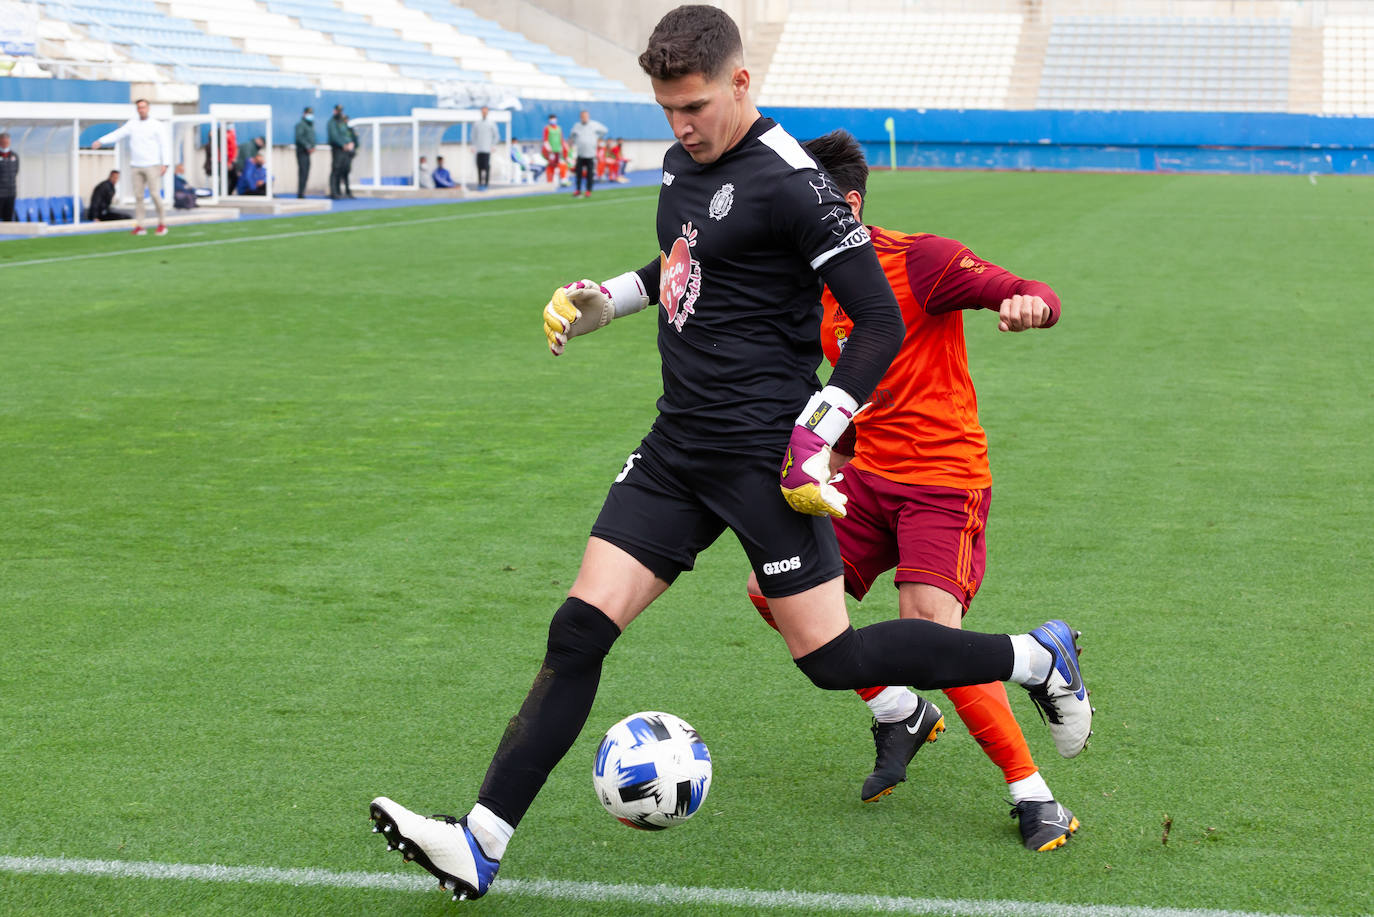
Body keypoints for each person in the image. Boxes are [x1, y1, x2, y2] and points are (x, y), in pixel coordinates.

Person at [367, 5, 1092, 903]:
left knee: (830, 659)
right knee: (578, 629)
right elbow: (686, 252)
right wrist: (613, 300)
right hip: (677, 447)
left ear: (742, 83)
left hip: (763, 460)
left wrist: (822, 423)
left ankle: (1035, 657)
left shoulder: (799, 185)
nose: (680, 126)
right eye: (668, 108)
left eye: (697, 106)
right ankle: (479, 841)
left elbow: (878, 319)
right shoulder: (683, 161)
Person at [743, 129, 1076, 852]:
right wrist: (831, 456)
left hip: (943, 483)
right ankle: (899, 709)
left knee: (930, 630)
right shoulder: (814, 283)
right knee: (774, 589)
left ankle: (1034, 792)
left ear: (847, 205)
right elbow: (855, 391)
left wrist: (1030, 305)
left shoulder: (917, 259)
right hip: (870, 477)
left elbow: (1028, 289)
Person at [91, 98, 168, 236]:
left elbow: (164, 144)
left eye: (143, 107)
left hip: (152, 165)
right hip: (136, 165)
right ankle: (140, 226)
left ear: (148, 108)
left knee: (155, 194)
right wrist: (101, 140)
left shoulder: (156, 125)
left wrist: (165, 163)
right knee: (138, 197)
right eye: (139, 107)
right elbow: (118, 134)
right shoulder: (132, 124)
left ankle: (162, 223)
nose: (141, 110)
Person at [568, 109, 608, 198]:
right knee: (578, 173)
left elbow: (605, 130)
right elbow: (572, 136)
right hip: (580, 154)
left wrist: (597, 137)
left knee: (590, 174)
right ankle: (578, 190)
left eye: (586, 116)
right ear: (580, 117)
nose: (584, 118)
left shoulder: (594, 125)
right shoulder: (577, 126)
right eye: (582, 116)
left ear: (588, 116)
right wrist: (572, 142)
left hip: (590, 154)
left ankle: (588, 191)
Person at [327, 105, 354, 200]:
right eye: (338, 111)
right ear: (334, 111)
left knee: (344, 170)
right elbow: (334, 136)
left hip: (345, 150)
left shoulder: (342, 122)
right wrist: (343, 144)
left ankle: (339, 191)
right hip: (338, 149)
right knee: (336, 169)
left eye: (341, 111)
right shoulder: (332, 122)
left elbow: (346, 134)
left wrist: (350, 143)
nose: (340, 113)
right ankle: (333, 192)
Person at [471, 105, 499, 191]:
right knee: (479, 166)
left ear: (487, 112)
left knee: (486, 167)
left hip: (487, 149)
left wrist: (493, 145)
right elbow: (473, 136)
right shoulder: (476, 123)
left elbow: (496, 136)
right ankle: (480, 183)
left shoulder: (491, 123)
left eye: (485, 111)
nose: (484, 112)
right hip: (479, 150)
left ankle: (486, 184)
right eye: (483, 111)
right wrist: (473, 146)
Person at [294, 106, 315, 198]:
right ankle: (300, 192)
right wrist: (307, 146)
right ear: (304, 114)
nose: (310, 115)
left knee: (306, 172)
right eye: (308, 113)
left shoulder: (310, 125)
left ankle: (302, 191)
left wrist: (313, 146)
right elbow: (299, 138)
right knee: (303, 172)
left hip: (307, 152)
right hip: (302, 151)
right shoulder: (301, 125)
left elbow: (312, 138)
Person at [541, 112, 566, 185]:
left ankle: (563, 179)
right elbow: (545, 140)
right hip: (551, 151)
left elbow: (562, 139)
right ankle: (549, 181)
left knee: (561, 164)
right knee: (551, 165)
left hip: (558, 150)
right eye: (551, 119)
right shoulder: (547, 128)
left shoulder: (559, 128)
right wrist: (549, 149)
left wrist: (562, 148)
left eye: (554, 119)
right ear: (549, 120)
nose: (553, 120)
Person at [0, 132, 17, 222]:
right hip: (0, 193)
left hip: (11, 193)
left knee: (8, 219)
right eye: (3, 141)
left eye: (7, 141)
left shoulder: (14, 156)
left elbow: (16, 171)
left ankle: (8, 236)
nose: (5, 143)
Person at [224, 123, 239, 196]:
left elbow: (234, 148)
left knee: (233, 178)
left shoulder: (232, 134)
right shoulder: (227, 135)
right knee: (231, 178)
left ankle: (227, 193)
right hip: (228, 161)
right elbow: (227, 150)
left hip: (232, 160)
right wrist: (229, 162)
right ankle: (226, 193)